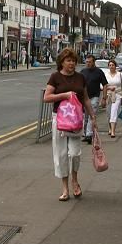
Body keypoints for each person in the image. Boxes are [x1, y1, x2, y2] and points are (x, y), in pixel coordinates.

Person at [44, 48, 97, 201]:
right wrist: (64, 95)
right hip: (59, 120)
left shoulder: (80, 77)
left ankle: (75, 180)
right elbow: (47, 97)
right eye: (68, 60)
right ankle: (65, 188)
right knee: (61, 155)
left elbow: (86, 99)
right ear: (61, 62)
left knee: (74, 154)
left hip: (76, 120)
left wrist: (93, 117)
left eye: (73, 60)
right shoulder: (55, 77)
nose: (72, 63)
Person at [79, 54, 108, 144]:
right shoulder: (82, 71)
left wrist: (104, 98)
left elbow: (105, 85)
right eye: (86, 62)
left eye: (89, 62)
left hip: (94, 97)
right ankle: (84, 134)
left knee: (92, 115)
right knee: (84, 116)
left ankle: (89, 134)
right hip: (84, 97)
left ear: (94, 62)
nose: (87, 64)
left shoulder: (99, 72)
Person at [103, 58, 122, 138]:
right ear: (108, 66)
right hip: (108, 95)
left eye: (113, 65)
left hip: (117, 95)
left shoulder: (120, 75)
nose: (111, 66)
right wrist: (108, 89)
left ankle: (113, 132)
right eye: (110, 65)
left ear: (115, 66)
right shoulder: (106, 75)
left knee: (114, 111)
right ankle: (110, 128)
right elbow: (102, 86)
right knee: (108, 113)